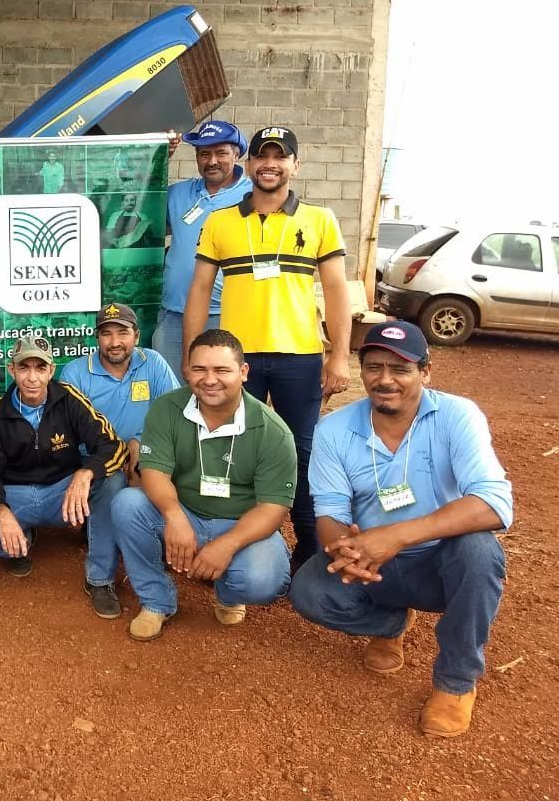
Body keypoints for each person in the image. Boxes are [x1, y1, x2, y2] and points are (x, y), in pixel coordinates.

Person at [289, 321, 512, 738]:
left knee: (480, 552)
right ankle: (391, 625)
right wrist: (343, 549)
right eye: (374, 367)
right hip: (374, 565)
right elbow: (330, 510)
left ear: (425, 372)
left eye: (401, 368)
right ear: (362, 371)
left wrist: (396, 536)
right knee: (310, 591)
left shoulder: (457, 416)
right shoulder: (335, 429)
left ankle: (456, 682)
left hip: (441, 561)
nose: (385, 379)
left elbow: (494, 504)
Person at [184, 125, 351, 569]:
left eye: (280, 156)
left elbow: (336, 290)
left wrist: (339, 355)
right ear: (249, 163)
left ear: (295, 164)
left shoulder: (320, 220)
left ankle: (310, 548)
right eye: (262, 156)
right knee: (236, 450)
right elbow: (200, 290)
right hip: (237, 362)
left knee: (302, 452)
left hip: (299, 356)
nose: (270, 164)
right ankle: (248, 545)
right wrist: (192, 357)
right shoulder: (220, 221)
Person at [111, 329, 296, 641]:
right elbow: (153, 472)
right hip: (186, 512)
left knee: (265, 579)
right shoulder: (167, 408)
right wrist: (173, 515)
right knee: (127, 504)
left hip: (240, 523)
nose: (210, 380)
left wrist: (227, 545)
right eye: (199, 369)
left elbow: (273, 508)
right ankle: (156, 600)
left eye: (222, 370)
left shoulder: (272, 431)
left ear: (243, 372)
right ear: (187, 370)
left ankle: (227, 592)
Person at [0, 336, 128, 619]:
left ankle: (100, 579)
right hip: (16, 496)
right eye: (24, 368)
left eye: (40, 368)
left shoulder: (68, 398)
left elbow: (112, 445)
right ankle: (24, 539)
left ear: (51, 370)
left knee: (113, 481)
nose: (32, 377)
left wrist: (85, 473)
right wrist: (1, 512)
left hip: (62, 494)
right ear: (11, 370)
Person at [153, 121, 252, 380]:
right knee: (169, 390)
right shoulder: (179, 194)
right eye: (204, 154)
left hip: (225, 316)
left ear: (237, 154)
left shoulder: (252, 195)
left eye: (221, 153)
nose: (212, 161)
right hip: (174, 314)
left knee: (216, 390)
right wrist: (159, 158)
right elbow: (140, 214)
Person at [59, 303, 179, 467]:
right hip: (97, 462)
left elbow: (173, 413)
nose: (115, 342)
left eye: (123, 333)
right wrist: (117, 454)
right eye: (106, 334)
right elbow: (70, 434)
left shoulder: (153, 362)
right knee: (115, 485)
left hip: (149, 455)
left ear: (136, 336)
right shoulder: (75, 373)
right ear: (97, 337)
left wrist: (139, 440)